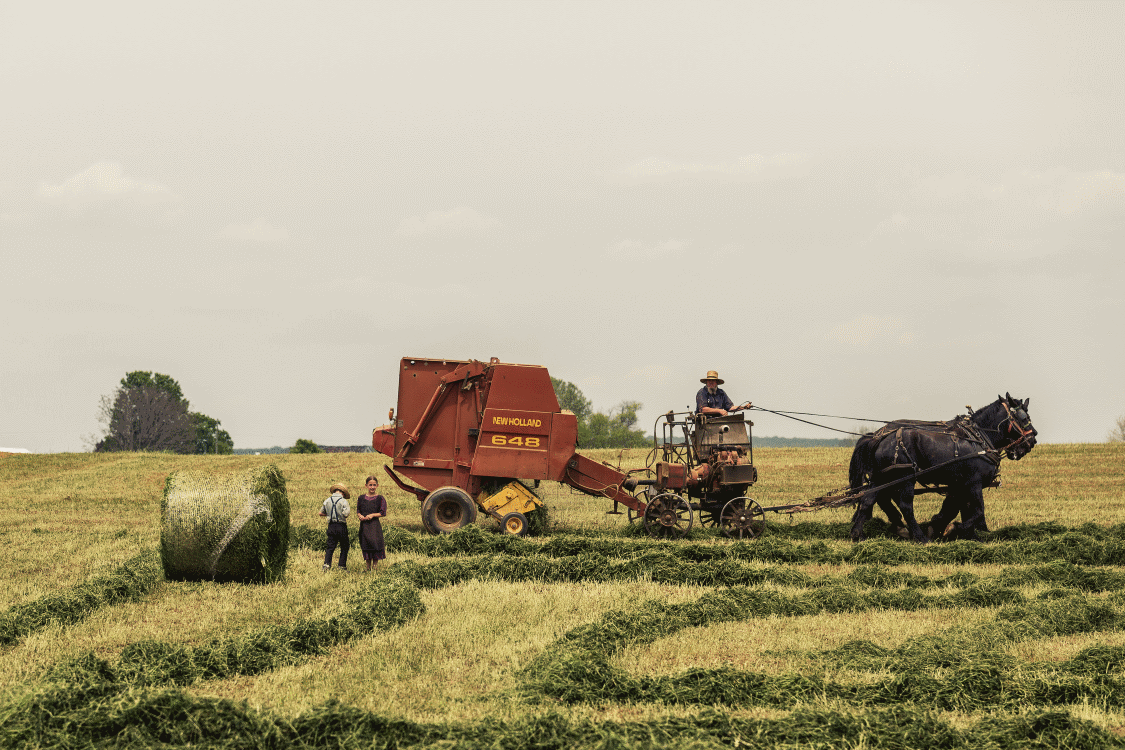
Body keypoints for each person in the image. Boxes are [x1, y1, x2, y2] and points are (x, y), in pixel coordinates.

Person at [356, 475, 387, 572]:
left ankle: (375, 567)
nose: (372, 487)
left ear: (377, 485)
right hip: (364, 525)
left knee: (375, 544)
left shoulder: (380, 498)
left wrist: (373, 515)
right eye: (370, 485)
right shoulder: (361, 498)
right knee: (366, 545)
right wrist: (359, 515)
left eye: (374, 485)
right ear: (366, 485)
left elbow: (383, 513)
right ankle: (367, 567)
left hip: (374, 526)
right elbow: (358, 510)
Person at [318, 482, 351, 571]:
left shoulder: (327, 500)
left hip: (331, 525)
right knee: (344, 545)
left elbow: (321, 513)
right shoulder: (344, 501)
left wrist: (330, 514)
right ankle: (341, 565)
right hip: (341, 526)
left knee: (330, 546)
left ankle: (327, 565)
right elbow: (346, 514)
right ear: (343, 493)